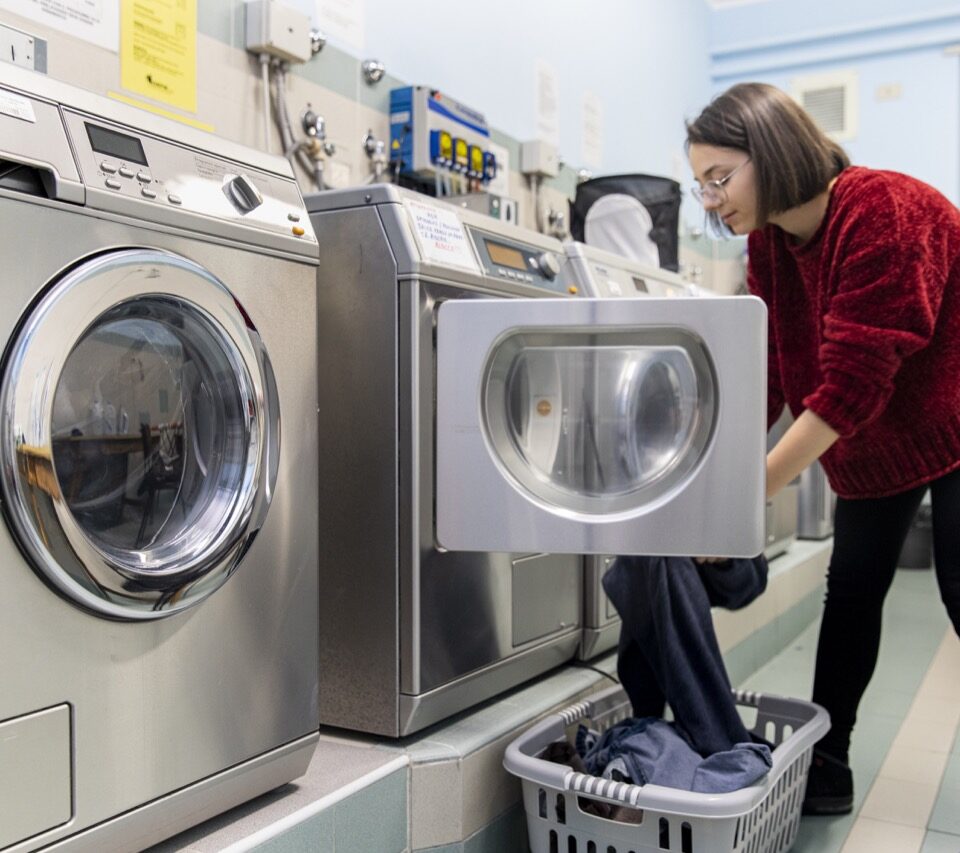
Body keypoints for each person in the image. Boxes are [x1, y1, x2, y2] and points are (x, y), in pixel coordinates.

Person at [685, 82, 960, 815]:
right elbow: (768, 371)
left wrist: (754, 491)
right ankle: (828, 766)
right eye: (699, 184)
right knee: (855, 588)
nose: (710, 200)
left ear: (769, 151)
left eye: (720, 177)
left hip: (955, 420)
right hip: (876, 442)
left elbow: (851, 383)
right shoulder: (769, 245)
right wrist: (706, 473)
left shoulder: (882, 209)